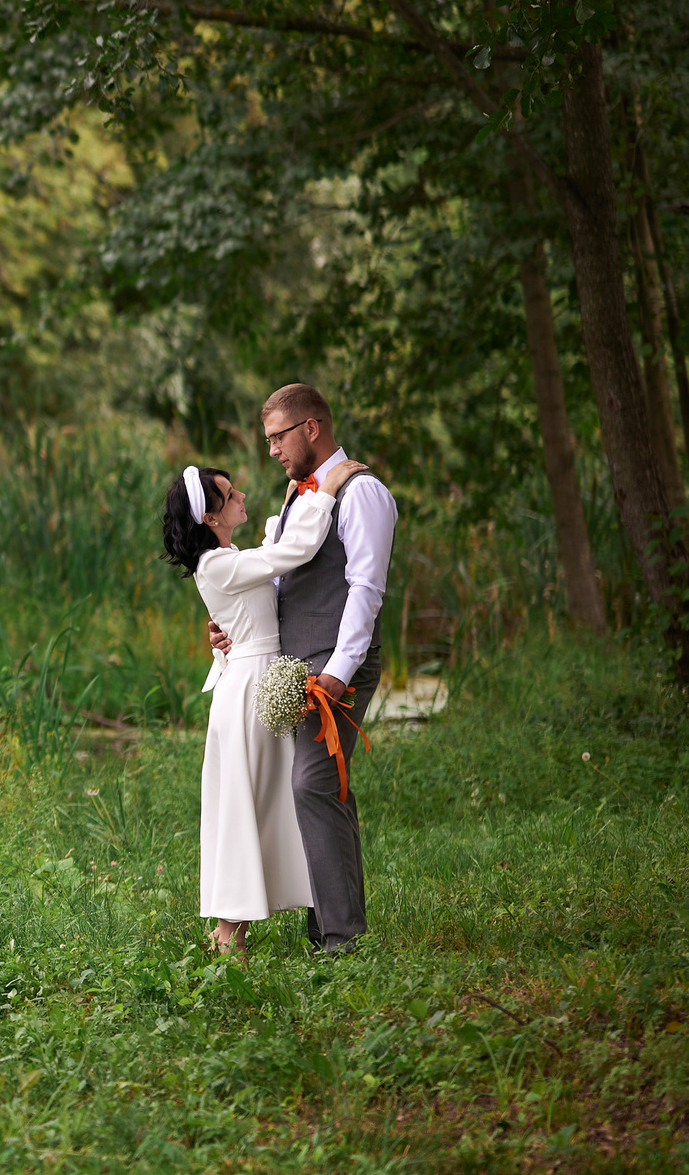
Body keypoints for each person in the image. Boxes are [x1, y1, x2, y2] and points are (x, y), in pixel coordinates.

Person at [207, 383, 399, 956]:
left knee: (313, 782)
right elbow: (276, 579)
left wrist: (340, 672)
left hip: (336, 667)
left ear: (311, 428)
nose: (271, 451)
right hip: (291, 666)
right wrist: (232, 630)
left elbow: (366, 590)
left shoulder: (363, 494)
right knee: (319, 787)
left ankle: (339, 939)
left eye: (277, 438)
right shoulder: (298, 496)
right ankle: (325, 921)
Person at [166, 458, 363, 955]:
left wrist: (220, 638)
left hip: (258, 681)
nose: (242, 498)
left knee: (266, 803)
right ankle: (230, 934)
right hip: (250, 691)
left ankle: (236, 929)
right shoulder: (217, 563)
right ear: (210, 518)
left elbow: (256, 592)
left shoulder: (230, 557)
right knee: (245, 803)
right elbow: (293, 552)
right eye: (230, 496)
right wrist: (327, 489)